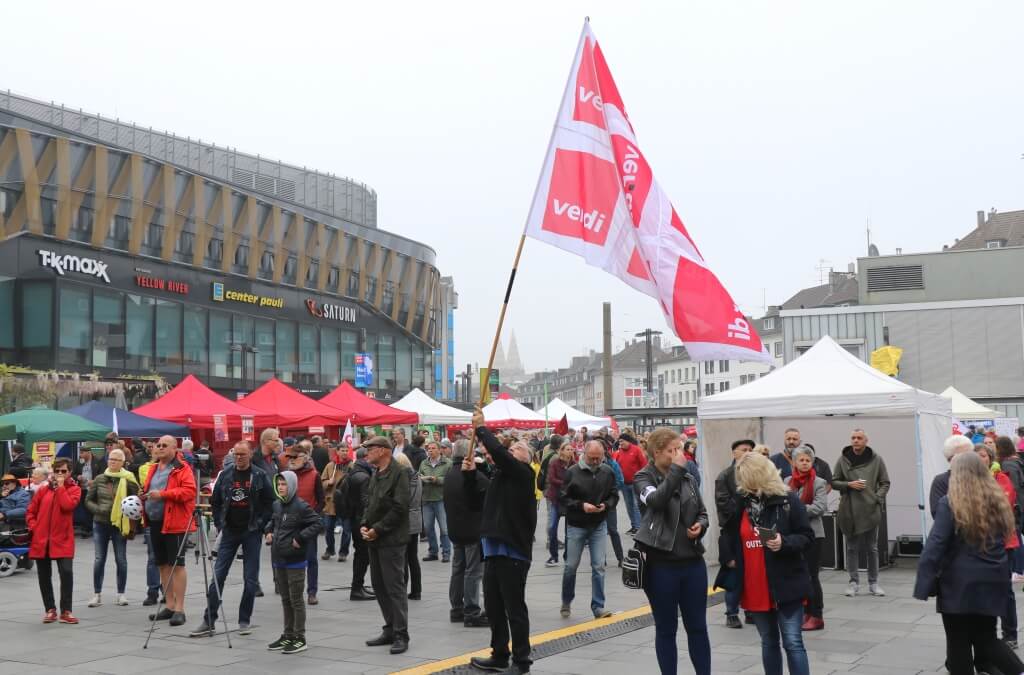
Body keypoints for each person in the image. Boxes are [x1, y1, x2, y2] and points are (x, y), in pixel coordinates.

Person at [914, 453, 1024, 675]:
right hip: (992, 580)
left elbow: (935, 545)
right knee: (987, 638)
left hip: (958, 584)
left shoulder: (950, 503)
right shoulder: (998, 502)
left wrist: (923, 583)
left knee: (958, 641)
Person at [723, 452, 814, 675]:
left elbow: (807, 536)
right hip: (755, 585)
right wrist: (729, 557)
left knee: (792, 642)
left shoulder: (787, 499)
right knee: (768, 641)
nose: (745, 485)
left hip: (786, 582)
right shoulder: (741, 503)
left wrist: (784, 542)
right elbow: (728, 534)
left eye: (748, 478)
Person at [465, 407, 537, 675]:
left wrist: (482, 428)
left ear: (526, 458)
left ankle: (522, 661)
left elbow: (500, 455)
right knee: (494, 607)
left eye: (517, 449)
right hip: (493, 549)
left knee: (514, 608)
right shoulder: (499, 477)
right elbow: (476, 503)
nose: (511, 451)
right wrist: (469, 474)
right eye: (511, 448)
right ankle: (499, 653)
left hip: (513, 552)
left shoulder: (523, 474)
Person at [635, 428, 711, 675]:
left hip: (692, 562)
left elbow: (702, 511)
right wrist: (677, 471)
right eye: (672, 450)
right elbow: (656, 500)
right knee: (666, 628)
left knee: (698, 627)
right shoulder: (643, 477)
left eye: (679, 448)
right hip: (661, 564)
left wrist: (701, 525)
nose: (679, 454)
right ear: (657, 452)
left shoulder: (688, 477)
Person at [190, 441, 274, 638]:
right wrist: (220, 523)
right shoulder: (226, 474)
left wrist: (261, 524)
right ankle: (209, 620)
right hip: (229, 531)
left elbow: (270, 502)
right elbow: (216, 501)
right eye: (236, 454)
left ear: (250, 455)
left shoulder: (259, 475)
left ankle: (244, 620)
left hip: (251, 531)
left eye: (242, 454)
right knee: (218, 576)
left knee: (250, 578)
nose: (239, 458)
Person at [362, 435, 412, 655]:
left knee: (394, 587)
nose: (367, 452)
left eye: (370, 448)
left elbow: (400, 508)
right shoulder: (376, 473)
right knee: (379, 585)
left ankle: (401, 634)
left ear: (383, 450)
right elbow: (369, 502)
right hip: (374, 538)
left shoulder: (399, 473)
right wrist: (364, 524)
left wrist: (378, 528)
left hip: (391, 540)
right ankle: (390, 628)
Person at [558, 440, 618, 619]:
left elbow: (614, 494)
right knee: (570, 566)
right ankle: (566, 600)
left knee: (598, 566)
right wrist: (581, 505)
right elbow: (563, 498)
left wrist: (606, 505)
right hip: (576, 524)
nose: (595, 461)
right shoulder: (572, 472)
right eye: (592, 458)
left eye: (598, 458)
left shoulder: (607, 471)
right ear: (584, 454)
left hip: (598, 524)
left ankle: (598, 606)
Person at [141, 435, 197, 627]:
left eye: (165, 445)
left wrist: (163, 495)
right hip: (155, 522)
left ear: (175, 449)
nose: (160, 448)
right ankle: (170, 605)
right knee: (163, 565)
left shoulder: (182, 468)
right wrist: (144, 495)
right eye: (158, 445)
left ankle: (180, 609)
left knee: (177, 565)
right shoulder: (153, 468)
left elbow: (189, 491)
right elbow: (150, 490)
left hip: (175, 523)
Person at [265, 471, 322, 655]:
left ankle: (299, 637)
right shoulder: (277, 504)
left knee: (296, 599)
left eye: (284, 484)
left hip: (295, 560)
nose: (281, 487)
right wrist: (268, 531)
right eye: (279, 484)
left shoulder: (301, 506)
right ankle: (288, 634)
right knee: (285, 599)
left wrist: (300, 538)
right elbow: (273, 522)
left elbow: (318, 523)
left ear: (292, 485)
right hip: (279, 558)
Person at [832, 428, 890, 597]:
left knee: (872, 548)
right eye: (853, 438)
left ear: (866, 440)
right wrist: (849, 484)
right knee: (852, 548)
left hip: (870, 509)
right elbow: (834, 481)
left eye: (859, 438)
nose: (856, 440)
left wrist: (876, 498)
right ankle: (853, 582)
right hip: (849, 510)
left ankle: (873, 583)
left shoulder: (876, 459)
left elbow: (885, 482)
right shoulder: (843, 459)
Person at [26, 457, 82, 624]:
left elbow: (67, 506)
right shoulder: (43, 490)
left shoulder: (74, 489)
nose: (59, 474)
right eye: (57, 470)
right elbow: (31, 511)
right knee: (44, 576)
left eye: (63, 471)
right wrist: (34, 526)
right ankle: (50, 609)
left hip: (63, 539)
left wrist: (61, 487)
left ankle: (66, 611)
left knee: (66, 573)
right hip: (42, 539)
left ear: (70, 472)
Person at [976, 442, 1020, 648]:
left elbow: (1002, 506)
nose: (980, 459)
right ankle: (987, 634)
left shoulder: (1001, 479)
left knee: (1005, 590)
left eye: (984, 455)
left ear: (990, 458)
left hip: (1003, 542)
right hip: (978, 542)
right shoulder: (970, 481)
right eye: (977, 456)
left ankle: (1010, 634)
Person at [84, 448, 139, 608]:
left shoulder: (128, 478)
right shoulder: (100, 478)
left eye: (116, 460)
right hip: (100, 523)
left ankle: (121, 594)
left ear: (123, 463)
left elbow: (136, 498)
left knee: (121, 559)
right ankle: (97, 594)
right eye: (110, 459)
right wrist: (98, 509)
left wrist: (132, 486)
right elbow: (88, 500)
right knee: (99, 559)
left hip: (119, 524)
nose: (112, 462)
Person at [445, 438, 490, 628]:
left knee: (458, 569)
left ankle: (456, 608)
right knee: (473, 571)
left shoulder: (449, 474)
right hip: (473, 529)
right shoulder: (473, 476)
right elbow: (487, 495)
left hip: (456, 529)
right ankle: (471, 611)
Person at [786, 445, 828, 631]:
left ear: (812, 462)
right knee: (798, 574)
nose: (804, 463)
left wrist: (796, 510)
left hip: (813, 535)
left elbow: (819, 507)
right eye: (801, 460)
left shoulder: (819, 482)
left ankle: (816, 615)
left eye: (807, 460)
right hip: (794, 535)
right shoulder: (787, 481)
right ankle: (805, 611)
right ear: (794, 462)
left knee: (812, 576)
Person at [714, 439, 755, 629]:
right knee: (734, 574)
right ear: (734, 453)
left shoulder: (756, 473)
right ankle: (731, 613)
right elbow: (724, 506)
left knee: (752, 574)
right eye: (743, 449)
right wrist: (743, 496)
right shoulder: (724, 476)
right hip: (733, 532)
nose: (748, 453)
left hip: (753, 533)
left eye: (750, 450)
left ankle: (751, 610)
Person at [283, 441, 324, 605]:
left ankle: (312, 592)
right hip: (289, 523)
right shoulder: (285, 475)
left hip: (308, 524)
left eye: (295, 457)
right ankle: (291, 590)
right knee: (288, 558)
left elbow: (321, 500)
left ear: (305, 457)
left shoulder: (314, 475)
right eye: (290, 457)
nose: (292, 460)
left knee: (311, 558)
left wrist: (313, 516)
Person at [343, 447, 375, 601]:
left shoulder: (353, 472)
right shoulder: (364, 477)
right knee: (363, 555)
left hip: (353, 518)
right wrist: (367, 522)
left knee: (360, 554)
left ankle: (358, 586)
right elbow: (365, 502)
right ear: (366, 457)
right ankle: (357, 588)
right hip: (361, 521)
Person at [419, 440, 452, 562]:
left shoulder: (447, 463)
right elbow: (419, 475)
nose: (430, 450)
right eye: (429, 449)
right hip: (426, 499)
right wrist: (421, 478)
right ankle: (433, 552)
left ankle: (446, 552)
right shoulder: (424, 463)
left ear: (439, 450)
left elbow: (450, 479)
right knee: (428, 528)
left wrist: (437, 480)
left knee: (444, 528)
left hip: (441, 499)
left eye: (433, 448)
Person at [395, 453, 423, 601]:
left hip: (404, 520)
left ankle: (402, 588)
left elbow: (401, 501)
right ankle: (416, 591)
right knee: (413, 557)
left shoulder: (402, 479)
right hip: (416, 518)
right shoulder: (417, 477)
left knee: (403, 557)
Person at [929, 435, 974, 517]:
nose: (968, 458)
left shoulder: (981, 476)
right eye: (963, 455)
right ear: (950, 459)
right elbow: (937, 512)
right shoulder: (941, 481)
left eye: (971, 454)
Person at [543, 444, 572, 567]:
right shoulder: (555, 462)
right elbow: (551, 479)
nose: (570, 451)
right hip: (555, 499)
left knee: (569, 531)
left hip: (569, 500)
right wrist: (566, 483)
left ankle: (567, 556)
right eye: (567, 449)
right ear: (562, 451)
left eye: (571, 449)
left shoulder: (574, 464)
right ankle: (554, 556)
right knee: (552, 528)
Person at [319, 444, 348, 562]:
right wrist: (328, 483)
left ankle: (343, 552)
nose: (345, 452)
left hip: (345, 502)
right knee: (329, 528)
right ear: (337, 451)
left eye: (346, 450)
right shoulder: (330, 466)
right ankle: (329, 549)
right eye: (342, 450)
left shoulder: (351, 466)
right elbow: (322, 482)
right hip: (331, 502)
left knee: (346, 530)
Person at [614, 432, 647, 534]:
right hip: (624, 484)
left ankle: (639, 527)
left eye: (622, 441)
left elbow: (644, 465)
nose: (620, 443)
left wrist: (642, 479)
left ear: (628, 441)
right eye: (619, 442)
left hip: (635, 483)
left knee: (636, 506)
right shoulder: (619, 452)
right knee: (629, 506)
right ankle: (634, 526)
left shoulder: (636, 450)